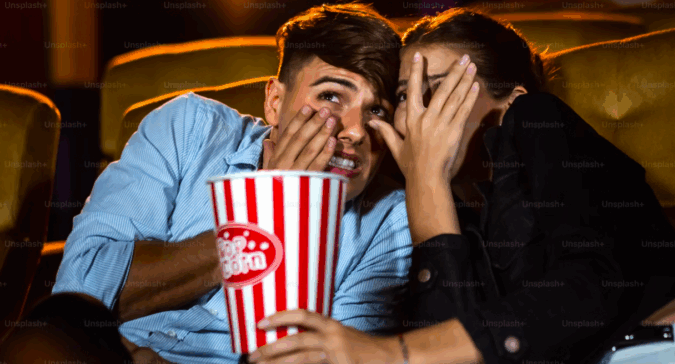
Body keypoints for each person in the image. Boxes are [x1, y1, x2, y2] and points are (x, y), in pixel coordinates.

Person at [248, 8, 675, 364]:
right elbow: (455, 346)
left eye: (436, 90)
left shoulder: (538, 121)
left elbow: (594, 284)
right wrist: (428, 192)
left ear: (508, 99)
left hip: (665, 351)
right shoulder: (437, 204)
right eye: (403, 97)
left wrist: (391, 354)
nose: (415, 114)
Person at [0, 4, 413, 364]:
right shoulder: (188, 128)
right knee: (45, 339)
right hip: (109, 354)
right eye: (332, 97)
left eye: (377, 109)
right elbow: (81, 289)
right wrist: (263, 208)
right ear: (274, 101)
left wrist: (281, 205)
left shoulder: (389, 216)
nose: (357, 132)